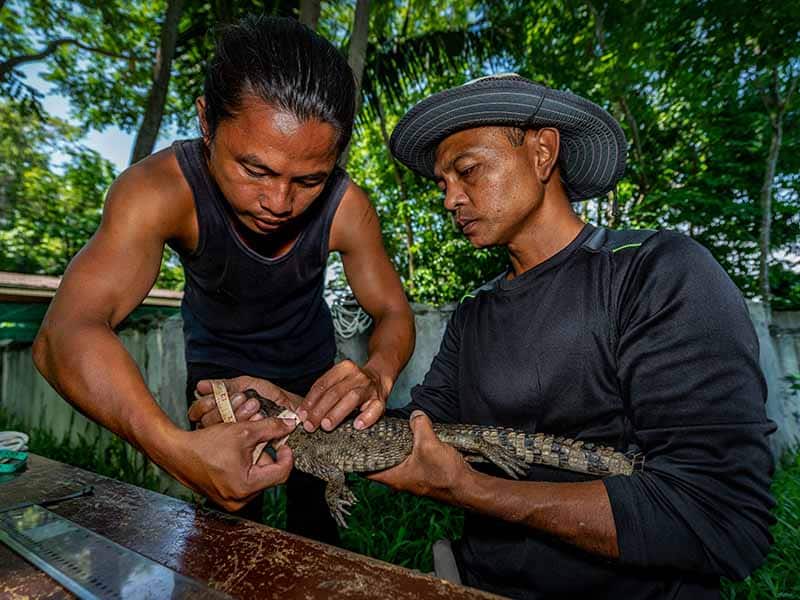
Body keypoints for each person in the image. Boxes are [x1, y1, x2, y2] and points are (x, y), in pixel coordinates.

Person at [362, 74, 775, 598]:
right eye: (442, 183)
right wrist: (303, 412)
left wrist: (471, 490)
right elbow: (419, 428)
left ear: (542, 153)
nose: (450, 199)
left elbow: (722, 512)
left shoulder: (656, 274)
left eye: (467, 171)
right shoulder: (475, 312)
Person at [32, 15, 415, 545]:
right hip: (220, 387)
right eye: (255, 170)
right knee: (223, 539)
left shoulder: (348, 208)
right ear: (207, 122)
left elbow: (394, 311)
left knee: (320, 535)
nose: (278, 203)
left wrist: (379, 372)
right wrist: (172, 447)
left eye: (308, 180)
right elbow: (63, 334)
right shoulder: (158, 192)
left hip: (312, 386)